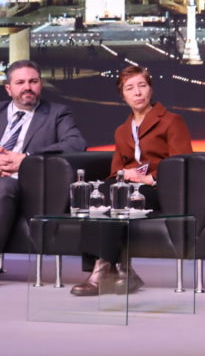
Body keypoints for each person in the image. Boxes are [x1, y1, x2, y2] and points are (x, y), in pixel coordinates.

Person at [71, 65, 194, 296]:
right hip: (129, 186)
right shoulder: (122, 130)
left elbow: (183, 163)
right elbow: (115, 170)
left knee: (120, 196)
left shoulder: (171, 121)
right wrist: (124, 175)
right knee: (96, 196)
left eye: (142, 85)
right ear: (123, 95)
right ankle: (121, 270)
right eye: (130, 88)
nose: (137, 92)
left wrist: (150, 178)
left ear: (150, 89)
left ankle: (100, 273)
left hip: (158, 188)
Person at [0, 60, 87, 253]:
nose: (27, 88)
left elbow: (76, 143)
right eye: (20, 82)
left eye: (33, 81)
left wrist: (27, 159)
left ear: (41, 84)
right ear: (8, 88)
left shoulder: (56, 113)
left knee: (3, 186)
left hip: (21, 182)